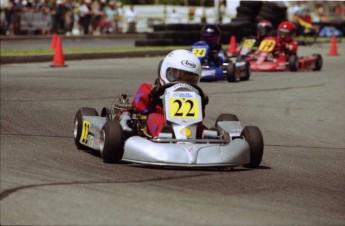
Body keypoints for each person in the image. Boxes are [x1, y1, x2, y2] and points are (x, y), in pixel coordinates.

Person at [131, 49, 208, 138]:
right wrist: (151, 96)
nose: (182, 83)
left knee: (201, 128)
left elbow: (199, 118)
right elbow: (138, 106)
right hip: (163, 123)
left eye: (189, 80)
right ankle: (164, 135)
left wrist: (201, 103)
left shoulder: (194, 95)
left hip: (187, 126)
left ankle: (211, 138)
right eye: (178, 77)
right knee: (154, 117)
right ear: (165, 71)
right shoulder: (150, 89)